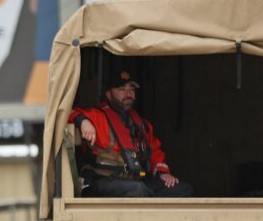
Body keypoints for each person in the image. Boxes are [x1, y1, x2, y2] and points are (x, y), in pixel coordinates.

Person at [69, 67, 194, 197]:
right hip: (101, 181)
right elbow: (65, 112)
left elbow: (154, 151)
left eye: (132, 89)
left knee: (184, 189)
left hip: (134, 180)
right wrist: (82, 121)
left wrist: (163, 173)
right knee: (138, 190)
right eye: (122, 89)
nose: (128, 93)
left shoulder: (141, 124)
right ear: (108, 94)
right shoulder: (96, 117)